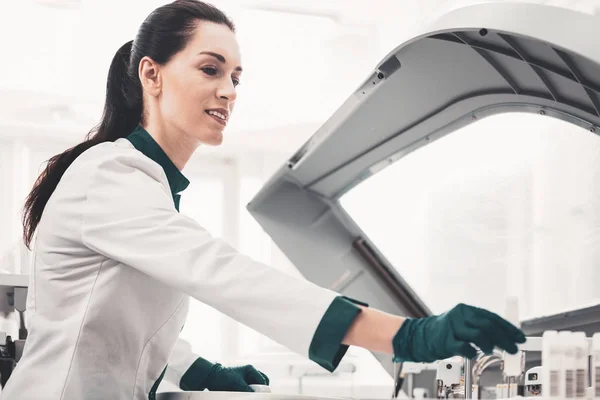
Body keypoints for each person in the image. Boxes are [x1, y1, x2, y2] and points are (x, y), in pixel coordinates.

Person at [0, 1, 526, 399]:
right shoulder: (110, 173)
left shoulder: (147, 185)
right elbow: (222, 272)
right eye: (210, 69)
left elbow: (123, 320)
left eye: (235, 77)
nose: (229, 90)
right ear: (151, 74)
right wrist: (406, 336)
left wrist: (200, 370)